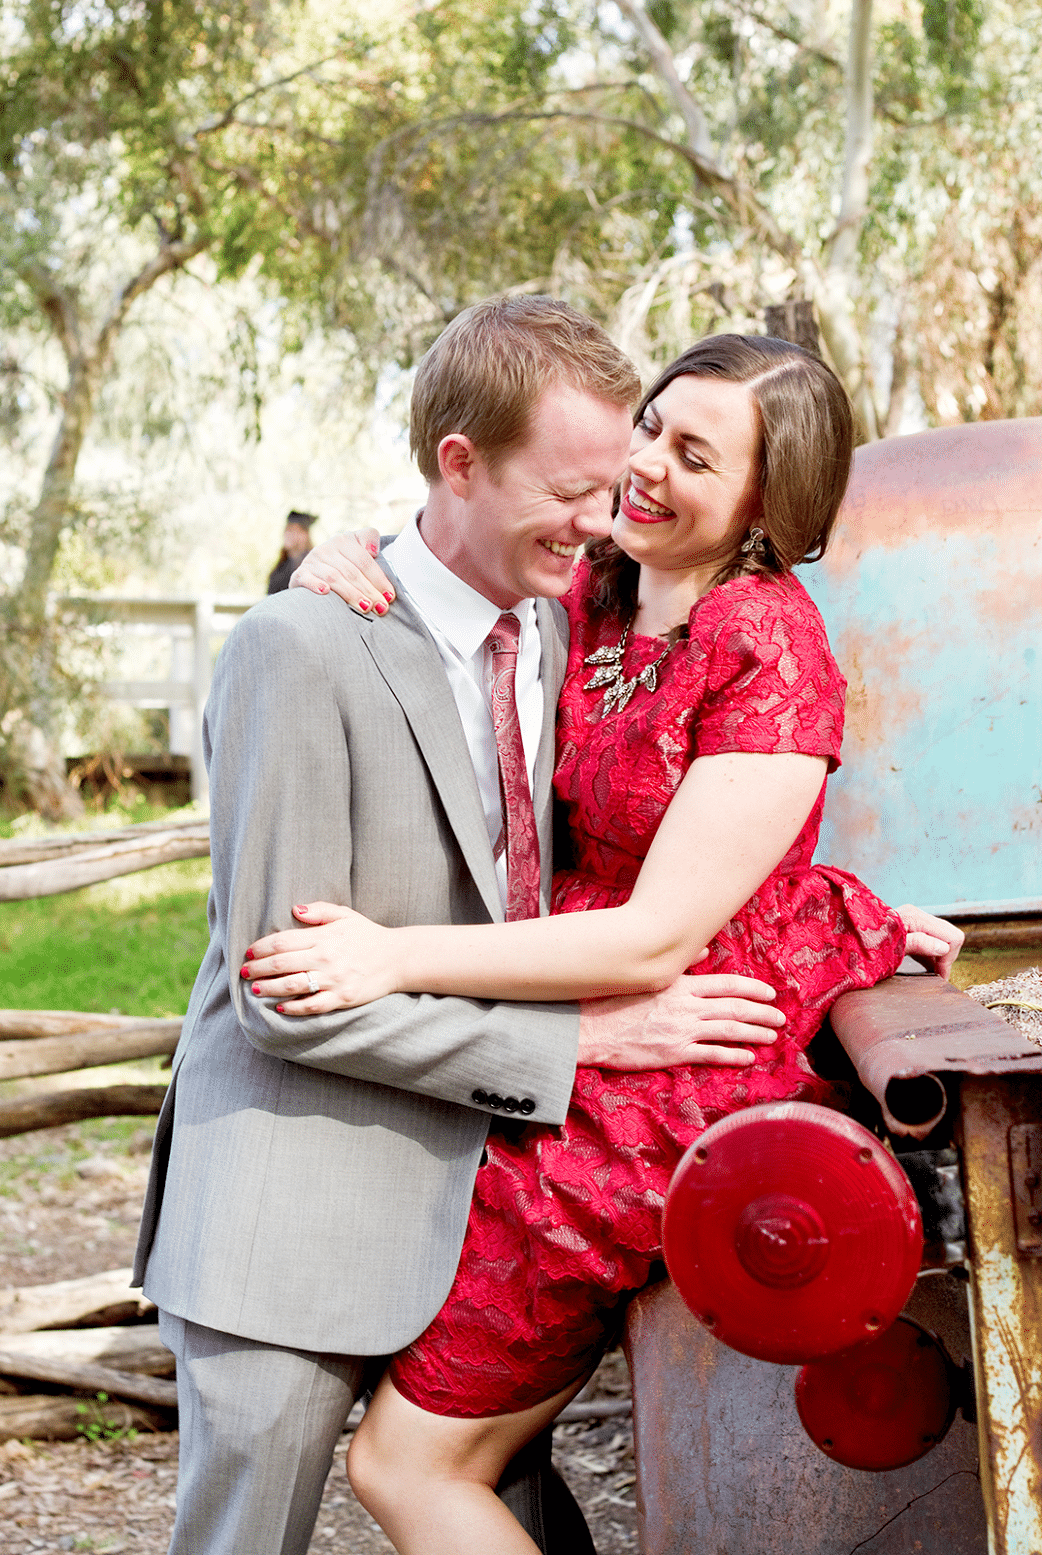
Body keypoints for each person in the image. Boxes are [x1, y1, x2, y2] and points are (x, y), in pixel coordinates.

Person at [254, 332, 964, 1555]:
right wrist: (349, 551)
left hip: (662, 1065)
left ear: (762, 503)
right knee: (438, 1449)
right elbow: (461, 526)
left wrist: (388, 956)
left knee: (403, 1463)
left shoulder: (766, 646)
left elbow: (654, 936)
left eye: (694, 455)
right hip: (563, 1029)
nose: (643, 468)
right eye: (650, 427)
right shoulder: (598, 583)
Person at [132, 298, 801, 1555]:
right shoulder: (301, 644)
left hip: (488, 1207)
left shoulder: (573, 620)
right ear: (457, 461)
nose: (604, 519)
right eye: (570, 488)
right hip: (297, 1196)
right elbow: (284, 991)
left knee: (519, 1518)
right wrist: (578, 1046)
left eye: (616, 484)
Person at [267, 510, 317, 593]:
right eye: (286, 530)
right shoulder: (281, 567)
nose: (287, 534)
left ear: (304, 535)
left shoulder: (313, 566)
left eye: (292, 530)